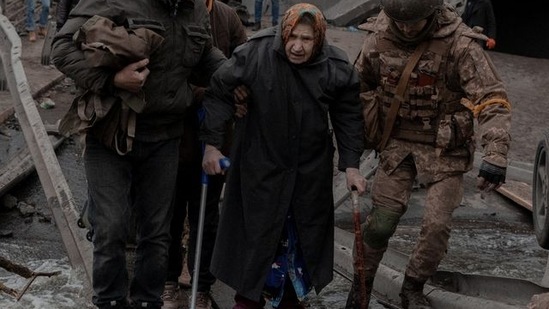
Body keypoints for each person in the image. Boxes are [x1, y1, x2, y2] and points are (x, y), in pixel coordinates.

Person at [50, 0, 226, 308]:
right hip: (111, 131)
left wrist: (238, 75)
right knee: (111, 227)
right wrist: (112, 80)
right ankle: (109, 301)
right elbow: (63, 48)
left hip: (165, 136)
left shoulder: (195, 9)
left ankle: (148, 301)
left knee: (157, 234)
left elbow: (204, 58)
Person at [345, 0, 511, 308]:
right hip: (396, 146)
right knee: (381, 222)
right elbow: (356, 86)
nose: (407, 29)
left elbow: (491, 99)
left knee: (436, 226)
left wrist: (496, 154)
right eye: (401, 23)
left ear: (431, 14)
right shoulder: (378, 37)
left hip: (445, 150)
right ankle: (361, 286)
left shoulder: (460, 43)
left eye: (414, 23)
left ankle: (412, 287)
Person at [200, 3, 367, 308]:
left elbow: (348, 116)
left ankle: (289, 301)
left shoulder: (335, 66)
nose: (298, 47)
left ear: (319, 39)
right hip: (260, 167)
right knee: (257, 241)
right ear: (284, 33)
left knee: (300, 243)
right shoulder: (256, 53)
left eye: (307, 40)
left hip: (309, 173)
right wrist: (212, 145)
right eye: (293, 37)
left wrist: (352, 165)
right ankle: (247, 302)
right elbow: (219, 90)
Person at [161, 0, 247, 308]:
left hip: (215, 134)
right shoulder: (168, 11)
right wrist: (208, 94)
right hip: (172, 130)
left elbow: (240, 67)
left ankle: (202, 284)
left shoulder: (226, 17)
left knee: (206, 216)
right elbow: (165, 77)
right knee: (169, 214)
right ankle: (168, 281)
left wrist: (238, 96)